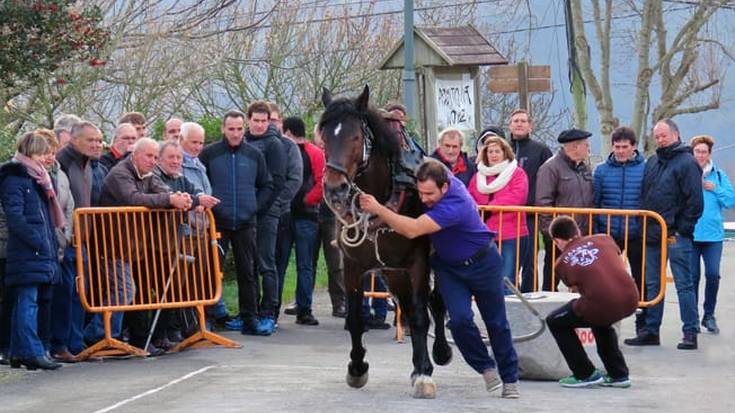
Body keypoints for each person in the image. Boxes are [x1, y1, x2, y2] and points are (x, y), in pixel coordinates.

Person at [359, 159, 520, 399]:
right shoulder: (440, 179)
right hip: (449, 269)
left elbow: (413, 229)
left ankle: (510, 378)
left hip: (483, 264)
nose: (424, 199)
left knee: (496, 323)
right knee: (460, 321)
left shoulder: (456, 203)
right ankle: (485, 367)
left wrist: (379, 209)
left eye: (429, 194)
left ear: (445, 187)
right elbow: (426, 161)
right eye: (420, 192)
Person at [624, 119, 703, 350]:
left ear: (676, 135)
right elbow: (644, 195)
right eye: (657, 136)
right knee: (652, 285)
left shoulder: (687, 163)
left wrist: (682, 229)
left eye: (663, 136)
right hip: (651, 234)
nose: (660, 140)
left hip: (676, 234)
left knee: (683, 284)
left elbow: (695, 202)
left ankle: (690, 331)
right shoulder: (652, 162)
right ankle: (651, 330)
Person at [199, 110, 274, 336]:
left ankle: (250, 318)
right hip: (217, 223)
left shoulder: (254, 154)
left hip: (245, 222)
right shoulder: (209, 154)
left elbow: (267, 185)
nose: (235, 133)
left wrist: (254, 207)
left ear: (244, 129)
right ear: (223, 129)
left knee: (248, 272)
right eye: (231, 129)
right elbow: (199, 184)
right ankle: (207, 319)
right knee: (211, 271)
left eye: (239, 129)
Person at [545, 216, 638, 388]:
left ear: (557, 241)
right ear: (578, 231)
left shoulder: (561, 263)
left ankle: (584, 373)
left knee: (555, 321)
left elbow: (573, 284)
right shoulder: (604, 238)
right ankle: (618, 374)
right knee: (600, 319)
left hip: (602, 304)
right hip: (631, 298)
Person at [0, 131, 63, 370]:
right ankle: (31, 351)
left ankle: (20, 351)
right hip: (28, 251)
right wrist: (37, 240)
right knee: (27, 302)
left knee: (28, 302)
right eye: (43, 153)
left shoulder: (38, 180)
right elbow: (15, 217)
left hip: (39, 251)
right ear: (30, 153)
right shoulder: (15, 179)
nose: (47, 158)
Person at [56, 120, 105, 356]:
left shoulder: (88, 164)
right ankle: (60, 344)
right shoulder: (62, 163)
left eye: (99, 140)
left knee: (79, 294)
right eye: (91, 140)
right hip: (66, 240)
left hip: (83, 240)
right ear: (74, 140)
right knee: (66, 294)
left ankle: (75, 345)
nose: (97, 145)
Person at [592, 126, 646, 334]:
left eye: (625, 147)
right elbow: (595, 203)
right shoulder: (602, 170)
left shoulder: (645, 168)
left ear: (634, 147)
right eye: (617, 147)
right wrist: (597, 231)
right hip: (609, 233)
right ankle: (605, 322)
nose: (621, 151)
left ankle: (643, 324)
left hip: (635, 232)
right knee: (606, 279)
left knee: (641, 278)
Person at [244, 101, 287, 335]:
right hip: (245, 213)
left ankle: (269, 312)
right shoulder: (242, 141)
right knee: (248, 265)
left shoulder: (274, 145)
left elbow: (278, 181)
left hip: (267, 212)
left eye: (264, 121)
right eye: (256, 120)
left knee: (266, 263)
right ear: (248, 120)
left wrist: (259, 208)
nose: (260, 125)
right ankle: (248, 311)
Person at [35, 130, 76, 363]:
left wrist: (65, 236)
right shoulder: (32, 175)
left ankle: (57, 344)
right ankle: (42, 345)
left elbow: (69, 206)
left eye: (52, 151)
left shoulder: (60, 173)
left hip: (60, 244)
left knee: (61, 296)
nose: (51, 156)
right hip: (41, 245)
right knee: (39, 300)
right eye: (46, 151)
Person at [536, 128, 594, 291]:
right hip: (559, 237)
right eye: (585, 145)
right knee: (552, 276)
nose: (588, 148)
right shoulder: (550, 168)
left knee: (581, 279)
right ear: (575, 147)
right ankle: (546, 312)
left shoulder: (584, 168)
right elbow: (543, 203)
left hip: (581, 235)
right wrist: (552, 234)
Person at [468, 135, 529, 290]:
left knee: (507, 278)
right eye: (490, 152)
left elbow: (517, 196)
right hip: (485, 234)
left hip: (511, 233)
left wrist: (489, 207)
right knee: (487, 278)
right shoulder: (477, 177)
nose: (494, 155)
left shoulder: (517, 173)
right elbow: (470, 198)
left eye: (497, 151)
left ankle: (510, 312)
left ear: (505, 153)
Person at [689, 135, 735, 334]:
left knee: (713, 274)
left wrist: (715, 189)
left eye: (704, 152)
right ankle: (693, 318)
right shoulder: (686, 173)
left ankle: (709, 315)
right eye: (697, 151)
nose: (700, 155)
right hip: (690, 234)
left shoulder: (718, 175)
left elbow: (731, 201)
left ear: (709, 154)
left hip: (713, 235)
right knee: (692, 278)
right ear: (692, 153)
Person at [506, 109, 553, 292]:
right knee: (508, 261)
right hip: (506, 214)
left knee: (530, 260)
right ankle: (509, 297)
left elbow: (549, 178)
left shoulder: (541, 150)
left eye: (523, 121)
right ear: (510, 125)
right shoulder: (503, 149)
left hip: (530, 214)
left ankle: (529, 295)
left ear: (530, 125)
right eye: (515, 120)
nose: (519, 124)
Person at [280, 117, 320, 326]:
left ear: (287, 131)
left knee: (280, 263)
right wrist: (309, 201)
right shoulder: (316, 152)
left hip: (287, 213)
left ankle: (271, 309)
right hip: (308, 215)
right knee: (305, 265)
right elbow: (322, 183)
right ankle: (304, 310)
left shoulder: (284, 150)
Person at [270, 104, 304, 323]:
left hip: (282, 213)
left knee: (278, 264)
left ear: (281, 122)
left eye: (273, 120)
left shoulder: (289, 147)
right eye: (264, 120)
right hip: (254, 216)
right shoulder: (247, 144)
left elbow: (295, 179)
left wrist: (277, 203)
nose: (269, 124)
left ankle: (272, 309)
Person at [311, 125, 346, 318]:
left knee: (336, 262)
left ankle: (339, 302)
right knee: (308, 261)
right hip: (310, 213)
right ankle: (304, 302)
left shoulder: (339, 156)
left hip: (332, 214)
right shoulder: (310, 153)